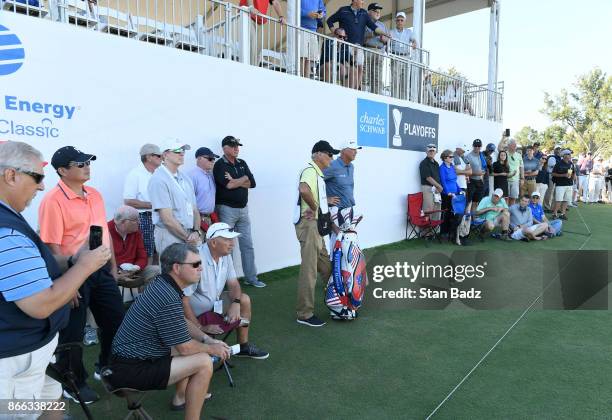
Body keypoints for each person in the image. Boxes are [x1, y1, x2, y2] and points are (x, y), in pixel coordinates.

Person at [0, 141, 111, 416]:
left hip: (33, 355)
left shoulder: (10, 219)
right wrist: (83, 266)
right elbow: (38, 304)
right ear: (10, 175)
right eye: (37, 177)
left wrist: (81, 263)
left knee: (53, 407)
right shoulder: (6, 230)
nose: (40, 186)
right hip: (17, 362)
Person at [38, 146, 125, 403]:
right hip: (73, 274)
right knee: (72, 333)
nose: (87, 166)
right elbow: (51, 247)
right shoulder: (52, 201)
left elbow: (104, 234)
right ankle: (72, 381)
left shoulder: (95, 195)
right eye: (80, 163)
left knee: (116, 321)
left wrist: (112, 265)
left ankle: (106, 367)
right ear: (62, 171)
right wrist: (67, 283)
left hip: (101, 270)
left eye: (88, 161)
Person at [107, 243, 230, 420]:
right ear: (177, 268)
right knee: (204, 361)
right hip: (130, 371)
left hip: (124, 363)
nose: (201, 268)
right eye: (195, 264)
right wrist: (212, 349)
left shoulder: (163, 284)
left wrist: (207, 339)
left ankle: (180, 399)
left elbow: (181, 321)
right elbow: (185, 348)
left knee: (190, 349)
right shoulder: (167, 295)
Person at [182, 223, 269, 360]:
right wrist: (199, 327)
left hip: (213, 304)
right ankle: (203, 348)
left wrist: (236, 303)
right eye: (228, 240)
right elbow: (183, 300)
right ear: (214, 242)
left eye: (232, 239)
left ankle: (243, 346)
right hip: (195, 313)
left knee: (244, 299)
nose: (232, 243)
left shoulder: (225, 256)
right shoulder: (196, 258)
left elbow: (234, 284)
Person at [293, 140, 338, 327]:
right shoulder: (310, 171)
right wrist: (315, 207)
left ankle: (338, 302)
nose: (331, 158)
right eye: (329, 154)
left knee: (327, 267)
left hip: (317, 227)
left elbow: (311, 194)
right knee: (309, 271)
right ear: (318, 154)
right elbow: (303, 189)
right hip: (310, 225)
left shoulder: (317, 174)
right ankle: (304, 314)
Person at [213, 136, 265, 288]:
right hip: (226, 210)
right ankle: (228, 281)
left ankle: (251, 277)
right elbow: (228, 186)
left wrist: (238, 179)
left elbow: (252, 183)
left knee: (247, 245)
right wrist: (243, 179)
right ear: (224, 148)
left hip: (243, 210)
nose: (236, 148)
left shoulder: (242, 163)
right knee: (226, 247)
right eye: (233, 145)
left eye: (237, 146)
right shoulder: (219, 165)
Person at [148, 138, 201, 256]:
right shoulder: (158, 179)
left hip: (189, 234)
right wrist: (188, 237)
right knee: (172, 274)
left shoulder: (186, 178)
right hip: (169, 235)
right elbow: (167, 219)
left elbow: (195, 210)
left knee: (192, 272)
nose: (182, 153)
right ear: (165, 154)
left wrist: (196, 231)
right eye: (177, 150)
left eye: (183, 150)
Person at [327, 0, 389, 90]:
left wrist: (385, 33)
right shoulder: (343, 10)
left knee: (360, 69)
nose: (363, 2)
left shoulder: (364, 13)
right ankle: (346, 89)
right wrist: (336, 34)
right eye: (362, 0)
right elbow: (329, 21)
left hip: (359, 47)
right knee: (347, 69)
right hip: (346, 45)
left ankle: (356, 90)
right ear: (355, 1)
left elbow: (373, 27)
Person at [123, 143, 162, 264]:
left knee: (160, 250)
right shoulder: (135, 174)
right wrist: (155, 205)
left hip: (159, 216)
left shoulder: (159, 173)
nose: (162, 158)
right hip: (144, 217)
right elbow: (128, 201)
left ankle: (156, 278)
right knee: (147, 251)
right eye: (159, 156)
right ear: (149, 157)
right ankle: (148, 279)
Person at [108, 205, 160, 291]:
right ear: (124, 222)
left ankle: (144, 301)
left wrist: (135, 267)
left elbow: (142, 256)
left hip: (134, 271)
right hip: (113, 273)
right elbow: (103, 260)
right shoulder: (106, 230)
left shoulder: (136, 232)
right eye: (136, 220)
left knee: (157, 270)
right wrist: (118, 272)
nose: (139, 222)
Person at [239, 0, 286, 66]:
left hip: (259, 20)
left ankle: (254, 69)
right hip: (247, 14)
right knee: (252, 45)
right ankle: (248, 69)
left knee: (258, 49)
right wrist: (251, 7)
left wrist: (281, 16)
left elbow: (275, 2)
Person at [188, 147, 220, 235]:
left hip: (210, 218)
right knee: (197, 247)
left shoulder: (211, 175)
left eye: (213, 159)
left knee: (208, 248)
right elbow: (187, 201)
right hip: (196, 220)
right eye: (210, 158)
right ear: (199, 158)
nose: (213, 161)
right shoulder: (192, 176)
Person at [389, 11, 415, 99]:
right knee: (395, 81)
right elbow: (387, 44)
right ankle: (394, 99)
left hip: (406, 57)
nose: (400, 22)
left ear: (404, 21)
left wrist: (414, 43)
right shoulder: (391, 32)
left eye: (401, 20)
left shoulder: (409, 31)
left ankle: (404, 100)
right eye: (398, 20)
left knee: (405, 81)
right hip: (395, 57)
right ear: (396, 21)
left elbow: (413, 40)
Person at [363, 3, 388, 95]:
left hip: (379, 52)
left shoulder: (382, 25)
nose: (378, 13)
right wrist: (373, 34)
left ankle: (377, 98)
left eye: (379, 11)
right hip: (367, 49)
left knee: (377, 78)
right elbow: (361, 37)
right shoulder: (364, 23)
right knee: (364, 77)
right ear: (369, 12)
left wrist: (385, 40)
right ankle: (363, 96)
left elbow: (388, 39)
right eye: (375, 11)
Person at [438, 149, 461, 237]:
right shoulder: (442, 168)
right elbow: (443, 182)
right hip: (446, 195)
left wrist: (459, 190)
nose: (452, 158)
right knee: (446, 213)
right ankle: (443, 232)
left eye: (453, 157)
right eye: (450, 157)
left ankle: (451, 232)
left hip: (454, 194)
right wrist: (448, 193)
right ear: (445, 158)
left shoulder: (451, 167)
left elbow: (455, 180)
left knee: (452, 213)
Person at [300, 0, 325, 78]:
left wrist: (321, 14)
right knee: (302, 56)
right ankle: (300, 77)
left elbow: (323, 11)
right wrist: (307, 14)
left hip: (313, 30)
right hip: (301, 28)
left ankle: (306, 79)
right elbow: (295, 9)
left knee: (310, 58)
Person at [419, 144, 443, 221]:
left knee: (437, 208)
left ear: (435, 152)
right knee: (428, 209)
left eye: (433, 151)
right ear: (426, 152)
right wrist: (439, 186)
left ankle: (434, 230)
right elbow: (428, 177)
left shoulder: (436, 163)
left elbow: (438, 177)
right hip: (428, 188)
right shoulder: (424, 163)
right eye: (430, 151)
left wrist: (439, 187)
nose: (431, 152)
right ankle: (425, 231)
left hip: (437, 188)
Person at [551, 149, 575, 220]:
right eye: (568, 154)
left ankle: (562, 214)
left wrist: (574, 177)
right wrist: (563, 175)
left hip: (569, 184)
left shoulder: (571, 164)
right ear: (564, 155)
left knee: (566, 200)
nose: (569, 156)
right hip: (560, 184)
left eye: (570, 154)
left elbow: (573, 172)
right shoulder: (558, 163)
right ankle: (554, 214)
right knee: (558, 200)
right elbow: (553, 173)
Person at [464, 139, 486, 212]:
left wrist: (481, 175)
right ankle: (466, 220)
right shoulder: (468, 156)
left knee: (476, 202)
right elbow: (466, 171)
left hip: (479, 181)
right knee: (468, 202)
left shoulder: (481, 155)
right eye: (475, 146)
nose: (477, 147)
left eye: (479, 146)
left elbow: (483, 167)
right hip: (471, 181)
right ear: (473, 146)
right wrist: (477, 173)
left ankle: (473, 220)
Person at [506, 139, 524, 206]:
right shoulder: (505, 154)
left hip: (516, 180)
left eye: (515, 145)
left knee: (513, 197)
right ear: (508, 146)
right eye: (513, 145)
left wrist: (522, 178)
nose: (515, 147)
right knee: (506, 198)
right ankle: (506, 213)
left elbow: (521, 167)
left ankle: (511, 212)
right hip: (506, 179)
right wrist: (503, 137)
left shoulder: (519, 155)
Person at [543, 146, 562, 210]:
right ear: (554, 150)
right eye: (557, 149)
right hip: (551, 175)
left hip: (558, 176)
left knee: (556, 192)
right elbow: (554, 166)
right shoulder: (552, 158)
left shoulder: (560, 158)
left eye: (559, 149)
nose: (558, 150)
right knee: (550, 191)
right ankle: (547, 206)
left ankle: (553, 207)